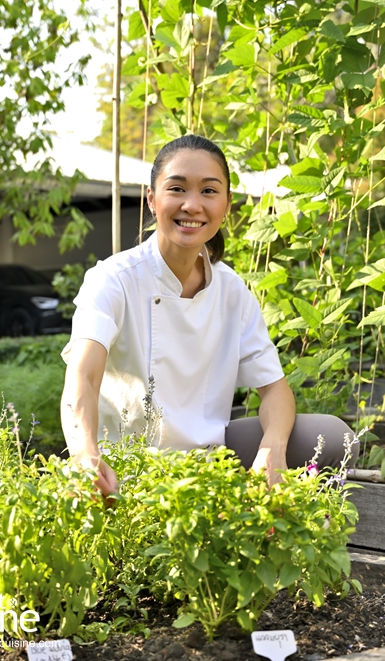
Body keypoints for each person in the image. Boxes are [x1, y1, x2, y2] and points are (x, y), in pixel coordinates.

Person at [60, 135, 358, 496]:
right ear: (152, 200)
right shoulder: (113, 280)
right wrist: (84, 454)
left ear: (226, 204)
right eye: (177, 189)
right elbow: (83, 377)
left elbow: (275, 389)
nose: (192, 205)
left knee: (336, 437)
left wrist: (271, 449)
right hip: (129, 460)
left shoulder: (232, 291)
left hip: (211, 457)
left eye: (208, 191)